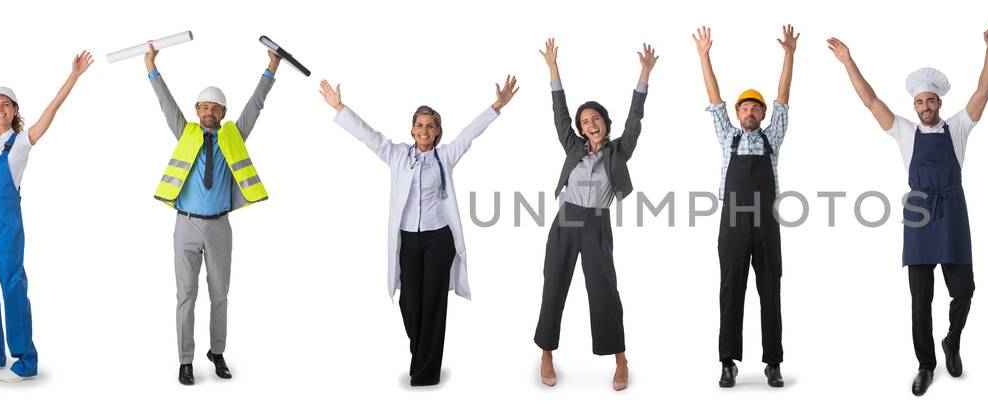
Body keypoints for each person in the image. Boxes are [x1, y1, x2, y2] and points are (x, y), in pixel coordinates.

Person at [825, 16, 988, 396]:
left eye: (930, 101)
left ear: (939, 103)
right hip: (919, 216)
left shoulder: (957, 128)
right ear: (915, 105)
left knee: (964, 290)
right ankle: (925, 364)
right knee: (920, 300)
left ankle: (952, 340)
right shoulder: (904, 131)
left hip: (953, 212)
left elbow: (983, 93)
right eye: (919, 101)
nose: (924, 106)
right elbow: (871, 100)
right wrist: (848, 62)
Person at [318, 75, 519, 386]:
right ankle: (422, 351)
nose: (425, 130)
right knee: (410, 302)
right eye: (420, 125)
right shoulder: (397, 154)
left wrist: (498, 105)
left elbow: (471, 133)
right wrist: (340, 107)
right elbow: (367, 135)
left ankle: (426, 372)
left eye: (431, 126)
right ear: (412, 130)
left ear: (438, 132)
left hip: (440, 239)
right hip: (408, 239)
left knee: (434, 303)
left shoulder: (445, 156)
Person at [0, 51, 94, 383]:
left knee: (11, 286)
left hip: (5, 223)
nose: (0, 109)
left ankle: (25, 359)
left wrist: (74, 76)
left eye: (6, 104)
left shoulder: (21, 142)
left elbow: (51, 109)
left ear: (14, 111)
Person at [142, 43, 281, 385]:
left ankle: (216, 352)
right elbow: (165, 105)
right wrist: (151, 68)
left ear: (222, 113)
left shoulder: (234, 136)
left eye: (215, 109)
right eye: (204, 107)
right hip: (185, 226)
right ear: (197, 110)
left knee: (220, 294)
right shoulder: (185, 132)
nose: (208, 113)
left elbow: (256, 106)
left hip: (220, 226)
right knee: (185, 295)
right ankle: (185, 360)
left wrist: (271, 68)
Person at [533, 38, 656, 391]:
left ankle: (619, 358)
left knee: (604, 289)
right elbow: (560, 114)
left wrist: (644, 74)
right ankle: (546, 352)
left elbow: (635, 118)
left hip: (598, 221)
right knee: (554, 282)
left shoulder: (619, 151)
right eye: (585, 121)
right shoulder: (573, 146)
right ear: (581, 128)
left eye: (596, 118)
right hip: (567, 219)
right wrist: (553, 70)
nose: (590, 124)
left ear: (605, 122)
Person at [694, 24, 798, 389]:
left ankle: (773, 362)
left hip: (766, 224)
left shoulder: (773, 137)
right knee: (730, 290)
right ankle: (727, 362)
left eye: (756, 107)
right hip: (733, 224)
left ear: (762, 113)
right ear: (738, 114)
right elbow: (714, 98)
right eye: (745, 107)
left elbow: (784, 99)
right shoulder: (728, 137)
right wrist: (704, 56)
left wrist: (789, 55)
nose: (750, 111)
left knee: (771, 290)